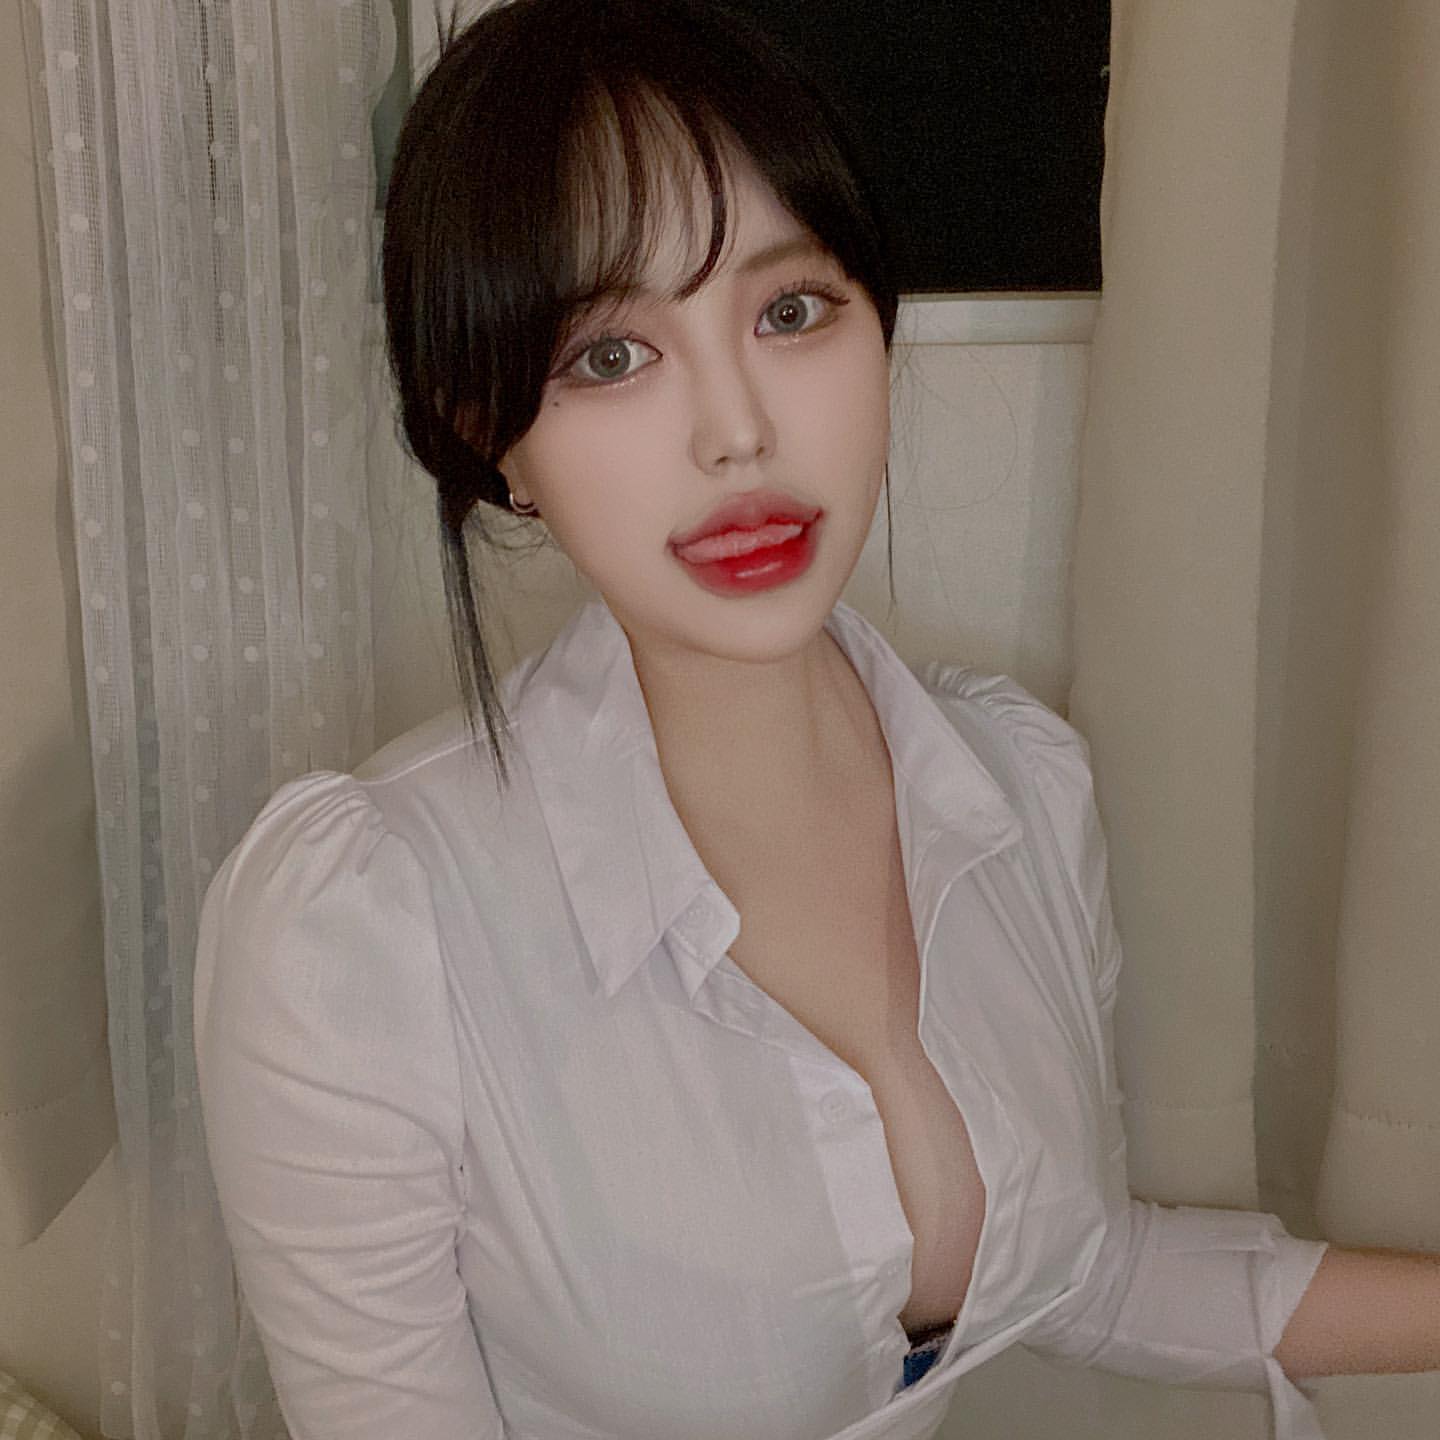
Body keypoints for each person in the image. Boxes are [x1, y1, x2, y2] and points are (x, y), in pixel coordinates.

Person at [192, 1, 1440, 1438]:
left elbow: (1082, 1271)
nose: (737, 429)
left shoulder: (1021, 787)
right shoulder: (357, 934)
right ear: (493, 437)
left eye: (789, 312)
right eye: (611, 354)